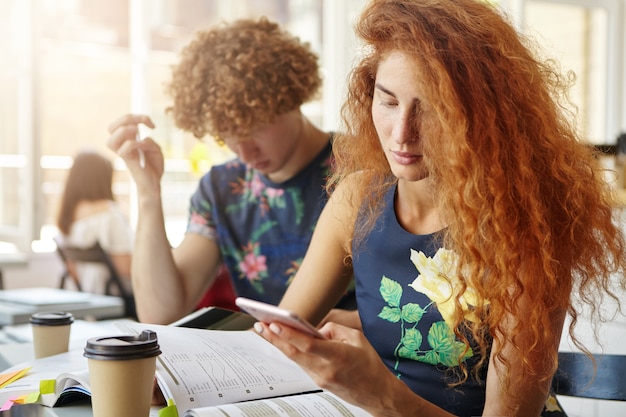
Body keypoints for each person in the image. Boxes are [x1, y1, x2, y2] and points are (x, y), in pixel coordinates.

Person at [253, 0, 626, 416]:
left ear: (484, 116)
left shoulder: (523, 234)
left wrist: (382, 395)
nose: (401, 135)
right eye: (388, 101)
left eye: (430, 109)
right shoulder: (358, 198)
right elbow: (278, 342)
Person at [107, 17, 356, 325]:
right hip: (266, 364)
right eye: (227, 135)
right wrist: (148, 193)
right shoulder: (224, 189)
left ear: (290, 96)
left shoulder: (365, 167)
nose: (245, 152)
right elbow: (161, 313)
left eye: (255, 128)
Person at [56, 150, 134, 296]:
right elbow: (127, 268)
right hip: (118, 298)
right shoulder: (111, 216)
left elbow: (73, 274)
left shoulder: (67, 218)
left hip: (87, 297)